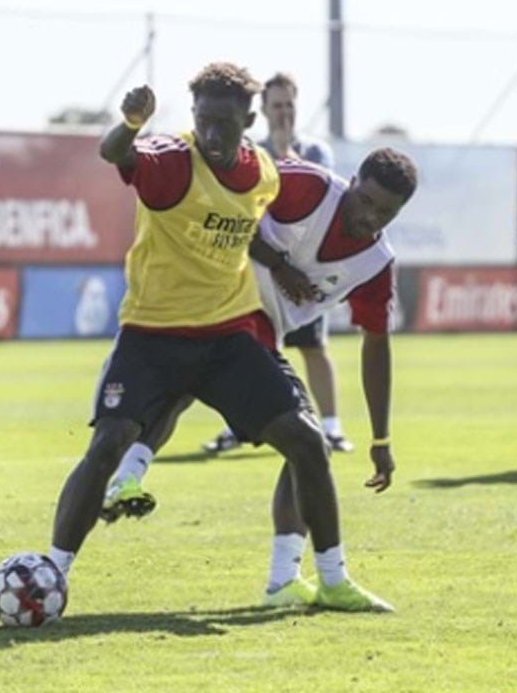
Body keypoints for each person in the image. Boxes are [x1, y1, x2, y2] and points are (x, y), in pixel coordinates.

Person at [47, 62, 390, 613]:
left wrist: (278, 263)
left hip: (227, 335)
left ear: (248, 121)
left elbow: (247, 223)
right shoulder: (173, 161)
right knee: (109, 443)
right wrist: (130, 124)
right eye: (203, 120)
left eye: (223, 124)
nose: (211, 134)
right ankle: (51, 573)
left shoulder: (264, 175)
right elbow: (118, 154)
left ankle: (331, 578)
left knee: (307, 440)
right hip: (151, 336)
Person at [102, 148, 417, 608]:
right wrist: (279, 263)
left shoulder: (376, 264)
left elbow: (376, 345)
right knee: (289, 430)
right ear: (352, 181)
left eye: (384, 212)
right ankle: (306, 577)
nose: (370, 216)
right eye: (365, 200)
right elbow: (227, 209)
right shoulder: (306, 186)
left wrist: (382, 437)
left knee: (304, 440)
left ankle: (283, 579)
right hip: (216, 295)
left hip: (261, 332)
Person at [203, 72, 354, 454]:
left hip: (304, 266)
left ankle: (332, 427)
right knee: (248, 349)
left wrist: (289, 152)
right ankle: (235, 426)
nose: (284, 113)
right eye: (277, 106)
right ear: (263, 110)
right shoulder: (251, 149)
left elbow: (318, 191)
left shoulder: (316, 151)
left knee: (314, 347)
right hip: (259, 266)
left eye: (289, 105)